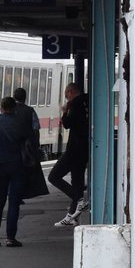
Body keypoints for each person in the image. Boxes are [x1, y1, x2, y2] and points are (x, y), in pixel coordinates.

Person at [0, 96, 26, 247]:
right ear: (14, 108)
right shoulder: (20, 124)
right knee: (14, 203)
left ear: (1, 108)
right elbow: (27, 144)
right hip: (16, 166)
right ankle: (10, 238)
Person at [49, 82, 89, 227]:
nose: (67, 99)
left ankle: (79, 199)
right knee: (77, 181)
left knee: (53, 176)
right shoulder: (88, 100)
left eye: (67, 96)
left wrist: (64, 111)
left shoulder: (74, 104)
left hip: (74, 149)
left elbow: (67, 123)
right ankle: (72, 216)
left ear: (71, 92)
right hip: (85, 149)